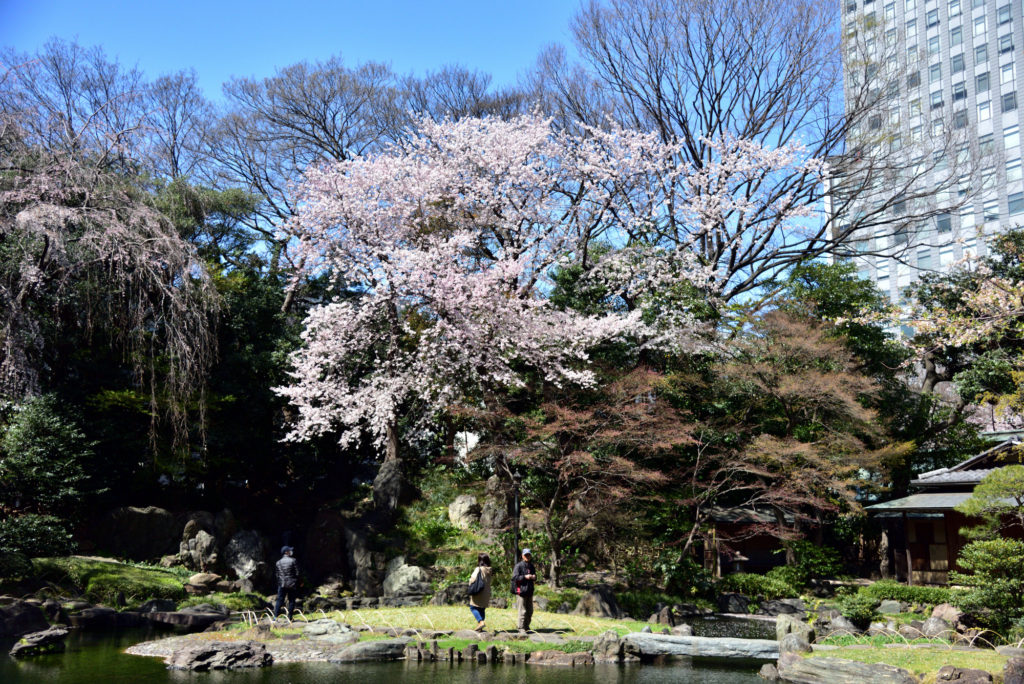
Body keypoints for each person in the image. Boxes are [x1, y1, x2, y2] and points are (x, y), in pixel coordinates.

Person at [511, 548, 537, 632]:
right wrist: (525, 577)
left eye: (529, 555)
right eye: (526, 555)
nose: (527, 556)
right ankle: (521, 628)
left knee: (530, 611)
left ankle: (526, 627)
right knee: (522, 611)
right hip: (521, 591)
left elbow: (534, 576)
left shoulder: (531, 566)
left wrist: (534, 577)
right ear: (522, 556)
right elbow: (514, 578)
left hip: (529, 591)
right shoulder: (518, 566)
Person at [468, 552, 493, 631]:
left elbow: (473, 579)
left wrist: (470, 583)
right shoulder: (489, 570)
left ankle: (481, 622)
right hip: (486, 593)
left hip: (478, 591)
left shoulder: (479, 569)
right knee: (482, 609)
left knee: (473, 607)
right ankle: (480, 629)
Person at [274, 545, 300, 619]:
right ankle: (290, 617)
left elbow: (277, 575)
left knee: (279, 600)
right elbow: (298, 573)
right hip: (292, 584)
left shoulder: (278, 562)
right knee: (291, 600)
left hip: (282, 584)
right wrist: (298, 582)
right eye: (289, 550)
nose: (291, 551)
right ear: (286, 552)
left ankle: (275, 617)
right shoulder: (293, 560)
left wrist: (280, 582)